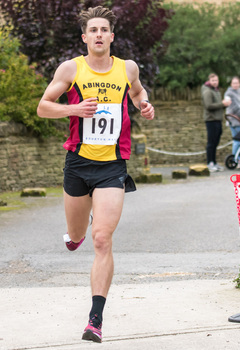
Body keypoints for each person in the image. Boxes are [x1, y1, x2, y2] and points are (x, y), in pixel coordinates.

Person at [37, 5, 154, 344]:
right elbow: (43, 106)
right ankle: (75, 235)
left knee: (102, 238)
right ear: (85, 37)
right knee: (78, 235)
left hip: (112, 166)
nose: (100, 34)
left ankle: (95, 320)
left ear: (112, 36)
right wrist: (73, 108)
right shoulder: (71, 68)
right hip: (78, 163)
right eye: (94, 30)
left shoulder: (126, 68)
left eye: (105, 29)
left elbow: (137, 92)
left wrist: (145, 104)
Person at [201, 73, 231, 172]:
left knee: (216, 142)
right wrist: (222, 104)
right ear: (209, 81)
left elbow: (218, 105)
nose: (215, 82)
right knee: (211, 142)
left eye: (216, 80)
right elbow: (208, 105)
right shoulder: (207, 91)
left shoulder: (216, 90)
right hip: (211, 120)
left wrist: (225, 104)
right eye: (213, 81)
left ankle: (214, 162)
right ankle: (210, 163)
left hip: (218, 119)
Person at [224, 76, 240, 158]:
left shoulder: (238, 91)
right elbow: (235, 108)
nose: (235, 85)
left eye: (237, 83)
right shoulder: (229, 93)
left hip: (238, 120)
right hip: (234, 120)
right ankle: (235, 159)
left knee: (237, 141)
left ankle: (236, 158)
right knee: (237, 141)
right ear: (231, 84)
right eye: (234, 83)